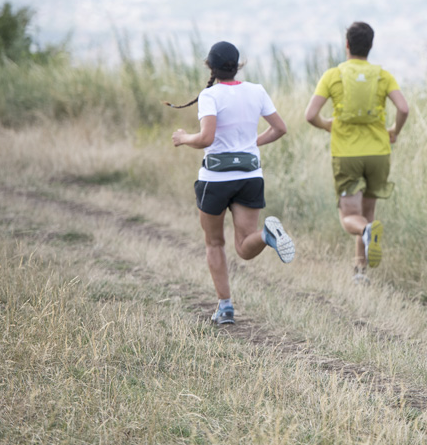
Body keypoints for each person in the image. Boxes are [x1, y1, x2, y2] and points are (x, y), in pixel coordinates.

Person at [169, 40, 295, 325]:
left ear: (210, 67)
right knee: (244, 247)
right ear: (238, 65)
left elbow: (206, 138)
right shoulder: (256, 90)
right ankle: (266, 236)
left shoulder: (210, 95)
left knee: (215, 242)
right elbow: (280, 128)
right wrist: (251, 144)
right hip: (250, 176)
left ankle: (225, 307)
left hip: (215, 179)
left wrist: (183, 138)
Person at [305, 22, 409, 284]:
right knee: (368, 212)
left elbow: (310, 115)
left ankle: (364, 236)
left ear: (347, 45)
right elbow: (404, 108)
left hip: (347, 155)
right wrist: (394, 130)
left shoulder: (333, 75)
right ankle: (360, 270)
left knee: (350, 217)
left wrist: (327, 125)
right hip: (378, 154)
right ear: (370, 46)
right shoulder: (383, 75)